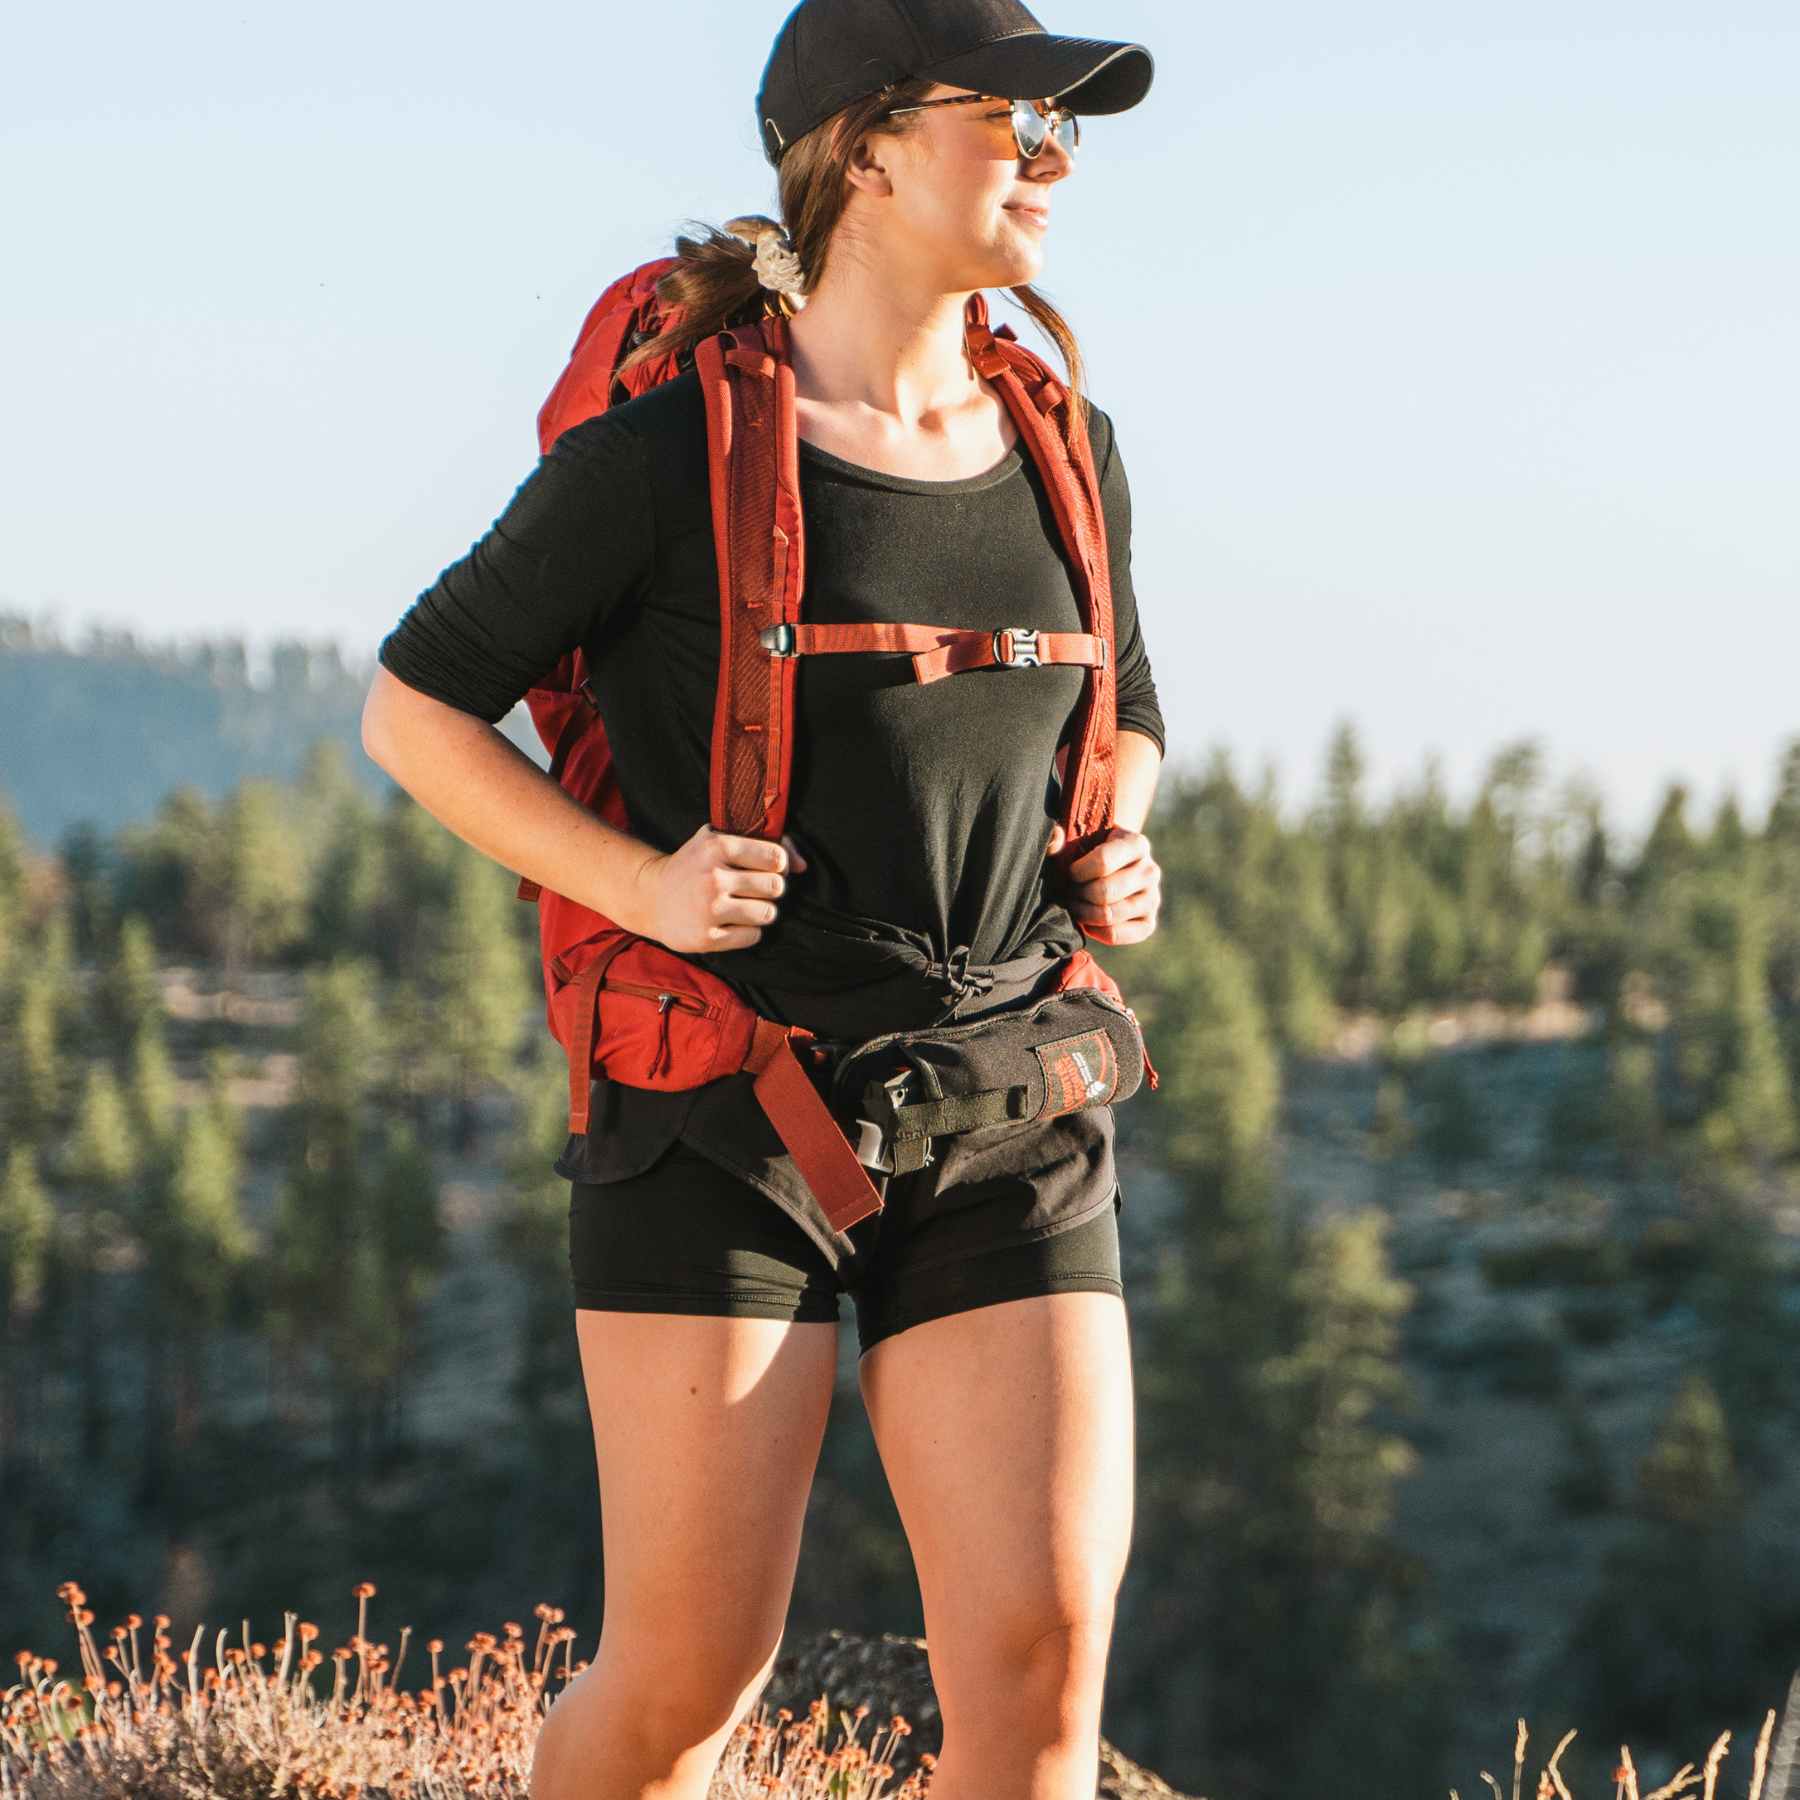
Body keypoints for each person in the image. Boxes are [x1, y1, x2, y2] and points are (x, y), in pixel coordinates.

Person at [361, 1, 1165, 1794]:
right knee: (685, 1690)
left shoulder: (1065, 446)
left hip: (1008, 1102)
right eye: (1014, 117)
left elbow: (1133, 714)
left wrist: (1124, 838)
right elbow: (414, 706)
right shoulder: (665, 460)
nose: (1056, 154)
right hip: (725, 1117)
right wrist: (637, 883)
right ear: (867, 146)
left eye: (1068, 124)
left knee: (1041, 1674)